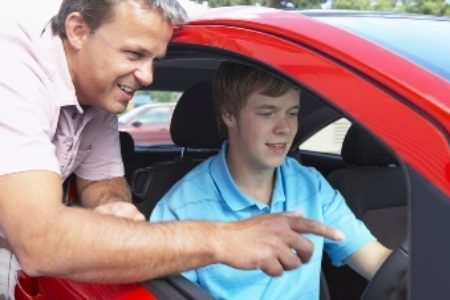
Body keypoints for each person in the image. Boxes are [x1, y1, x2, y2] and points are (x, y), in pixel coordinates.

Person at [0, 1, 344, 298]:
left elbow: (101, 182)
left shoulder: (99, 94)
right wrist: (222, 240)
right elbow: (40, 241)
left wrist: (115, 207)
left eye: (154, 59)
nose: (148, 77)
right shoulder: (13, 70)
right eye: (134, 54)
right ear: (77, 30)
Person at [150, 62, 392, 299]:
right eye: (267, 113)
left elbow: (377, 262)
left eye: (293, 113)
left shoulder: (310, 185)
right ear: (229, 115)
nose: (285, 128)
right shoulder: (179, 209)